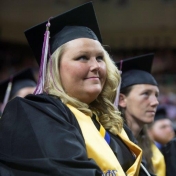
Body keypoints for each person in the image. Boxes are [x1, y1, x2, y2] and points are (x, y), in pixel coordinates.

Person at [0, 2, 145, 176]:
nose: (95, 66)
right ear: (54, 69)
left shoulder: (114, 125)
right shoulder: (34, 113)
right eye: (82, 57)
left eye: (100, 58)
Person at [116, 54, 166, 176]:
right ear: (122, 100)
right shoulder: (109, 143)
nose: (155, 102)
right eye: (145, 94)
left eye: (156, 95)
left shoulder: (152, 150)